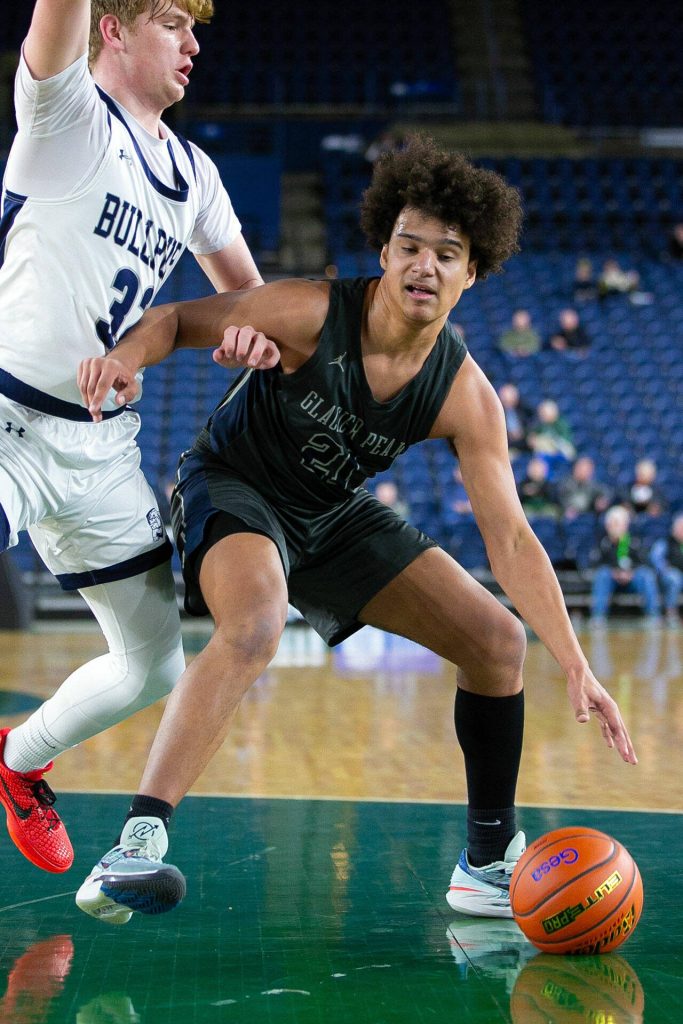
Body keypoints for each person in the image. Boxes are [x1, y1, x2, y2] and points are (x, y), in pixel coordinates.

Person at [75, 136, 636, 926]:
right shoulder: (308, 310)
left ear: (471, 273)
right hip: (234, 485)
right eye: (409, 245)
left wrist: (575, 663)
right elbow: (171, 319)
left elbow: (509, 538)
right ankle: (135, 844)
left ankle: (485, 862)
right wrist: (128, 359)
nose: (424, 265)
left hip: (328, 512)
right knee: (256, 623)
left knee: (496, 641)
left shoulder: (464, 394)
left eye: (447, 253)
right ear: (383, 250)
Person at [0, 0, 272, 876]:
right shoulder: (66, 114)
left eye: (196, 31)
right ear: (111, 30)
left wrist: (254, 334)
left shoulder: (195, 173)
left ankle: (19, 761)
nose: (194, 46)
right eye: (171, 24)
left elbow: (252, 303)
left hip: (102, 448)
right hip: (8, 417)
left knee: (154, 665)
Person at [589, 506, 661, 628]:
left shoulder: (634, 542)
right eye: (611, 524)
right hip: (612, 580)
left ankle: (653, 616)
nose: (614, 527)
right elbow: (596, 564)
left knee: (646, 575)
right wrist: (614, 572)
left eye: (617, 523)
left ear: (625, 525)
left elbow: (644, 562)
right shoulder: (604, 543)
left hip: (633, 579)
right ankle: (598, 616)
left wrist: (631, 572)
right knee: (602, 574)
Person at [650, 513, 683, 627]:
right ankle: (670, 612)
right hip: (669, 575)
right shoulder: (665, 543)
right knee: (675, 578)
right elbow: (656, 559)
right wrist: (664, 569)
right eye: (680, 528)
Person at [497, 383, 531, 460]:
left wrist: (522, 432)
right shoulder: (497, 412)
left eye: (511, 397)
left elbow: (531, 422)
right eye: (506, 398)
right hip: (507, 443)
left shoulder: (523, 409)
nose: (509, 400)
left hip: (523, 442)